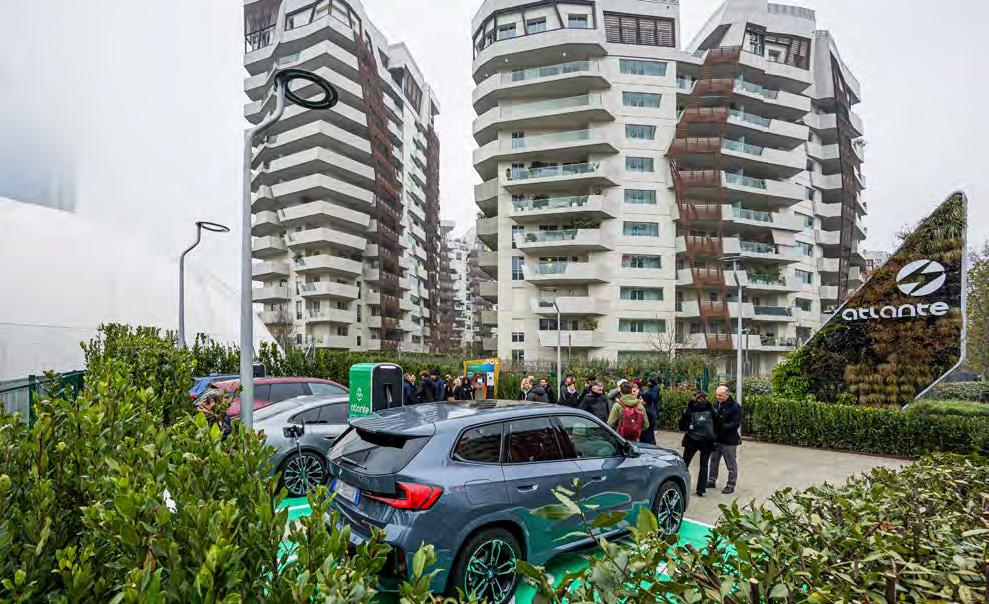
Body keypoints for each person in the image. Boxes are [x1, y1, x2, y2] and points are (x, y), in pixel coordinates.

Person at [679, 391, 717, 497]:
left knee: (685, 463)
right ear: (706, 398)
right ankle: (701, 489)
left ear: (694, 397)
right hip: (707, 440)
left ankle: (681, 486)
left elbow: (682, 426)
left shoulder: (690, 409)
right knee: (704, 465)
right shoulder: (711, 408)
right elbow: (718, 423)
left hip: (692, 439)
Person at [709, 385, 743, 495]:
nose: (718, 397)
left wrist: (722, 426)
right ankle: (711, 480)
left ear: (727, 394)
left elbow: (736, 423)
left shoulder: (735, 407)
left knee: (731, 464)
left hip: (729, 441)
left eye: (720, 395)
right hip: (716, 439)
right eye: (717, 395)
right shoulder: (715, 405)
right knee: (714, 460)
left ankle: (731, 485)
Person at [639, 377, 660, 445]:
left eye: (649, 382)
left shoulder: (654, 390)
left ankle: (655, 429)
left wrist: (642, 394)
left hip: (647, 441)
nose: (648, 383)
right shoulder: (653, 389)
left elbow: (652, 397)